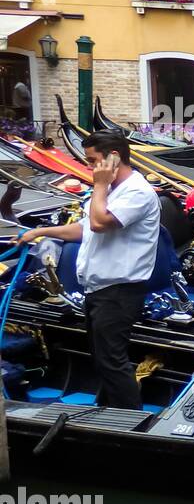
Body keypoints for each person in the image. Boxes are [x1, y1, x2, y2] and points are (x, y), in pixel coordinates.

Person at [18, 131, 159, 409]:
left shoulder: (137, 191)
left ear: (114, 158)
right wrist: (40, 231)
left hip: (120, 290)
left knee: (112, 360)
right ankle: (107, 411)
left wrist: (100, 185)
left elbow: (98, 222)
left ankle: (131, 421)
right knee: (103, 359)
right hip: (99, 289)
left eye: (93, 161)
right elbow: (83, 228)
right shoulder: (113, 191)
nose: (90, 168)